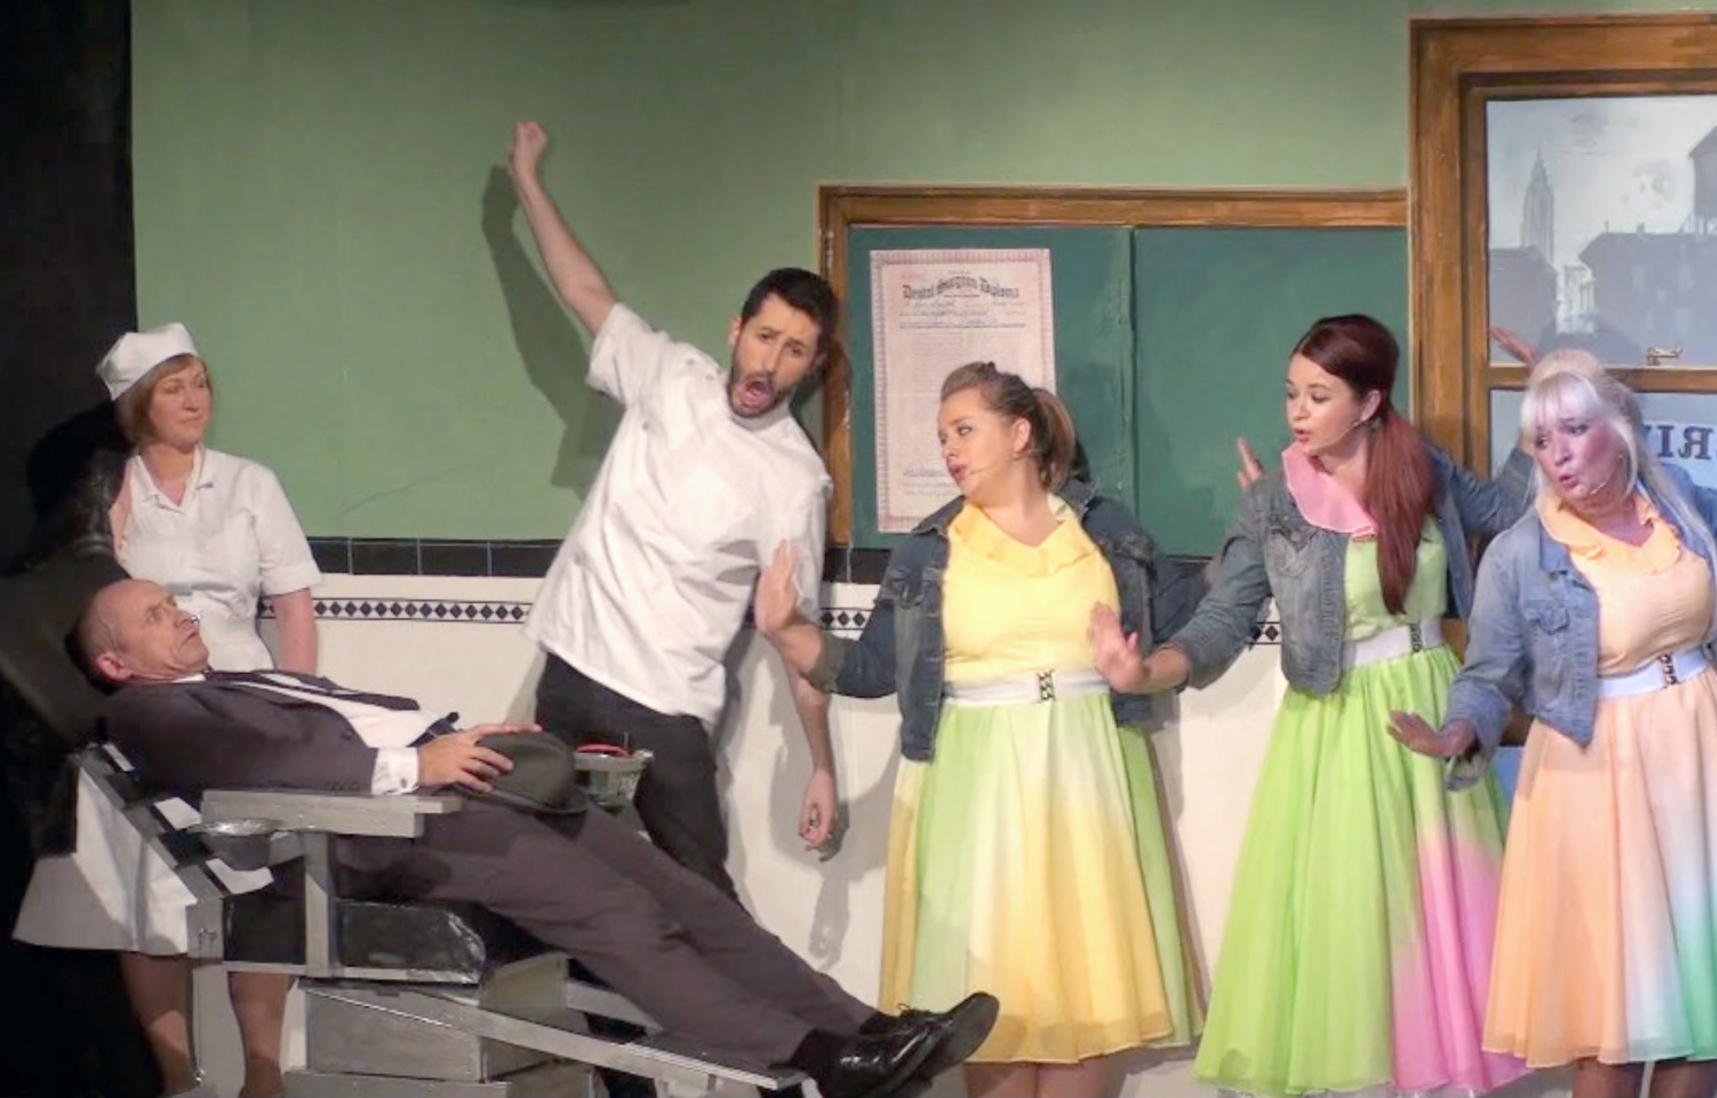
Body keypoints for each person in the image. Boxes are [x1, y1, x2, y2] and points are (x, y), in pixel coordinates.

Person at [78, 577, 1000, 1098]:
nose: (181, 613)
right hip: (388, 836)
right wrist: (417, 765)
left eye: (173, 601)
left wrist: (460, 742)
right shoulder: (150, 714)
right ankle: (821, 1060)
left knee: (691, 899)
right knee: (626, 920)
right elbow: (272, 772)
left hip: (459, 794)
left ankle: (869, 1028)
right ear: (116, 662)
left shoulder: (231, 681)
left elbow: (346, 734)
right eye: (156, 615)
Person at [1091, 315, 1533, 1097]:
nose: (1298, 411)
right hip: (1333, 723)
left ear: (1370, 402)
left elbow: (1503, 512)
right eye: (1291, 393)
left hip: (1429, 707)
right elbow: (1223, 619)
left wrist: (1540, 408)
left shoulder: (1422, 468)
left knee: (1437, 926)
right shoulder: (1275, 502)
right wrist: (1145, 671)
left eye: (1319, 396)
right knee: (1350, 924)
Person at [753, 362, 1202, 1098]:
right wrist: (786, 630)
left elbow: (1194, 621)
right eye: (942, 437)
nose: (950, 450)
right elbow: (868, 668)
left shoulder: (1102, 528)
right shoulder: (933, 548)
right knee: (995, 997)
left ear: (1020, 434)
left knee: (1090, 993)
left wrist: (1256, 543)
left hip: (1088, 784)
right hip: (977, 792)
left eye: (964, 431)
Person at [1387, 349, 1717, 1098]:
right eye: (1543, 440)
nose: (1559, 454)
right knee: (1614, 1015)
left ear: (1620, 428)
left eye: (1575, 430)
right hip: (1595, 773)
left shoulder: (1672, 503)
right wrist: (1457, 733)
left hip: (1695, 752)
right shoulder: (1521, 553)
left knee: (1708, 1006)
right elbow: (1489, 673)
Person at [504, 121, 841, 897]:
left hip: (665, 707)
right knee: (541, 882)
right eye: (764, 337)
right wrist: (527, 180)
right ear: (737, 330)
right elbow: (584, 292)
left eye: (793, 350)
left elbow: (797, 636)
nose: (769, 363)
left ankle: (758, 988)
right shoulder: (670, 375)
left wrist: (821, 767)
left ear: (812, 364)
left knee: (698, 897)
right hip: (571, 670)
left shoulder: (795, 479)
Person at [13, 323, 321, 1098]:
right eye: (173, 388)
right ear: (139, 406)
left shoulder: (251, 484)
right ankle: (179, 1079)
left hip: (242, 703)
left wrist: (300, 703)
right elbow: (90, 600)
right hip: (151, 712)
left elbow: (294, 608)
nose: (194, 400)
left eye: (200, 384)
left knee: (261, 883)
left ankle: (262, 1074)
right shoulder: (111, 494)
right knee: (150, 892)